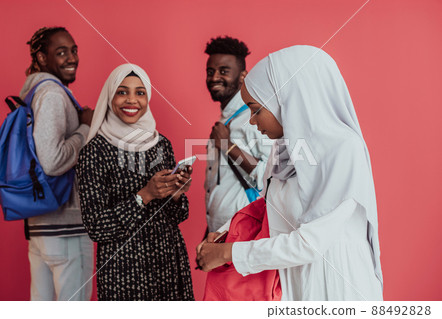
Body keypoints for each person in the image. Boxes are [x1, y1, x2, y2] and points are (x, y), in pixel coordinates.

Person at [197, 45, 383, 301]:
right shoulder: (283, 150)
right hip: (294, 285)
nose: (252, 120)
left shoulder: (342, 150)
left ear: (287, 99)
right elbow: (267, 204)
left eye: (256, 109)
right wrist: (224, 231)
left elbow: (310, 243)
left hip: (339, 289)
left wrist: (230, 253)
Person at [77, 64, 194, 301]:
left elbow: (177, 217)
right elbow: (96, 227)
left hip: (168, 263)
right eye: (122, 92)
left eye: (140, 92)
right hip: (124, 271)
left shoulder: (161, 144)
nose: (132, 100)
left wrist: (176, 194)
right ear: (110, 96)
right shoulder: (94, 152)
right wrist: (145, 195)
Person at [21, 26, 94, 301]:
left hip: (42, 225)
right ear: (41, 58)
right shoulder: (51, 94)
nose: (71, 58)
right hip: (65, 229)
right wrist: (85, 128)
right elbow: (51, 161)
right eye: (61, 52)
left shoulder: (35, 93)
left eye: (74, 50)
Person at [204, 36, 271, 234]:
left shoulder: (254, 120)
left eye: (224, 71)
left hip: (246, 235)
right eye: (210, 71)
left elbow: (270, 175)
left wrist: (228, 146)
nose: (215, 77)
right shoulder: (225, 120)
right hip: (221, 235)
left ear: (243, 76)